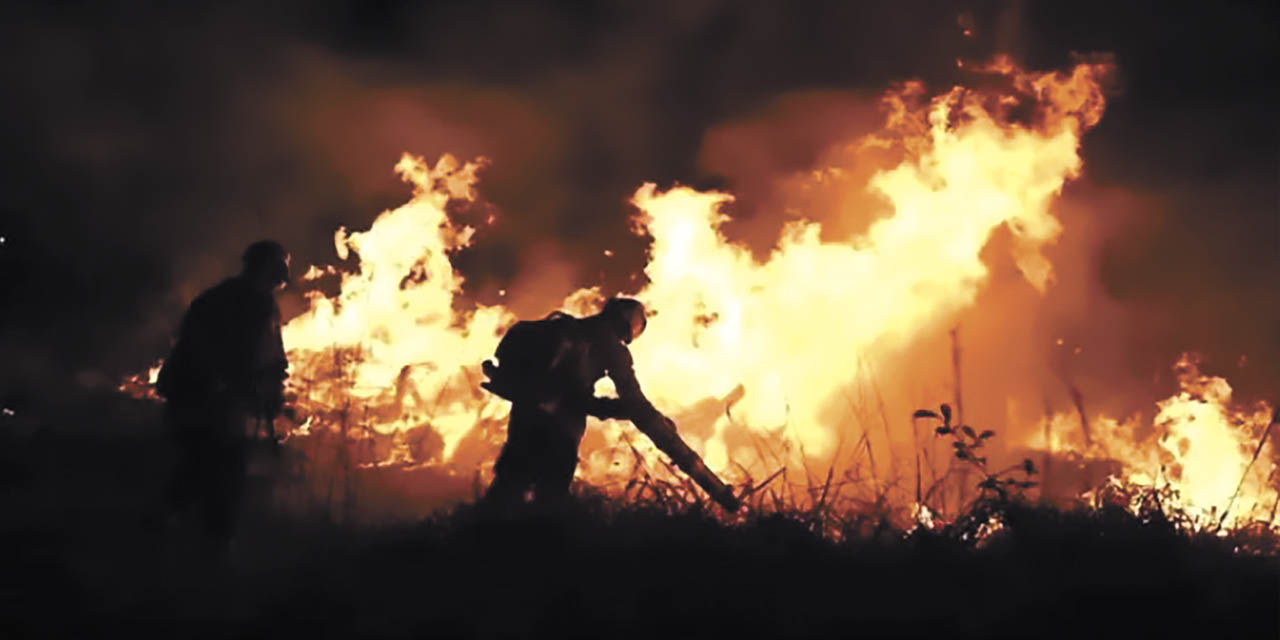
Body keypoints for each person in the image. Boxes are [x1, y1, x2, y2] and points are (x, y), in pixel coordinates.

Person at [480, 297, 739, 512]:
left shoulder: (569, 328)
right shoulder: (612, 348)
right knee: (550, 498)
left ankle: (481, 540)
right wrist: (657, 425)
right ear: (630, 329)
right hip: (560, 430)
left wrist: (620, 410)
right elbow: (634, 402)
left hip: (526, 413)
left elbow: (579, 400)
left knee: (508, 485)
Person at [154, 240, 291, 549]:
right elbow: (243, 359)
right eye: (280, 267)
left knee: (199, 469)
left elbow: (271, 360)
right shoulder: (251, 304)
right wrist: (258, 389)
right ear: (267, 268)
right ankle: (209, 548)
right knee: (220, 472)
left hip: (203, 400)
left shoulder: (226, 299)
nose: (283, 276)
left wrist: (268, 389)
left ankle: (172, 532)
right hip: (208, 400)